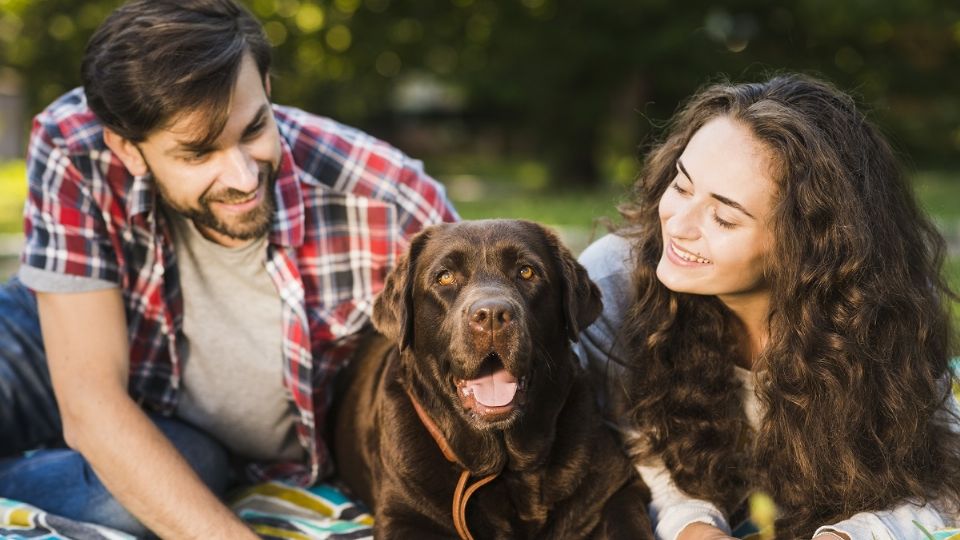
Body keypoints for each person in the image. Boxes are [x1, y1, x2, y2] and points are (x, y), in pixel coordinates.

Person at [0, 0, 457, 537]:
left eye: (253, 129)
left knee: (142, 499)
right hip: (66, 334)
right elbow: (92, 400)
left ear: (265, 82)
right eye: (198, 154)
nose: (241, 176)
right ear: (128, 149)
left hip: (187, 431)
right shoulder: (75, 142)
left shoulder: (390, 202)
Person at [576, 73, 960, 539]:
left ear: (808, 246)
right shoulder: (613, 288)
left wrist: (847, 536)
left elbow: (945, 479)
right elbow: (637, 459)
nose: (679, 225)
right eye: (680, 185)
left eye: (724, 216)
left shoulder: (881, 307)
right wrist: (693, 528)